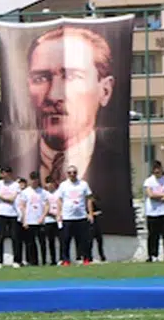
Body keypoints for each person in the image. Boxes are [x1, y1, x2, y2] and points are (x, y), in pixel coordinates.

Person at [26, 26, 121, 195]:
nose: (54, 95)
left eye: (72, 76)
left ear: (105, 90)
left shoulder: (119, 166)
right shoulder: (17, 165)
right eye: (40, 78)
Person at [56, 164, 95, 266]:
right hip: (68, 217)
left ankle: (86, 259)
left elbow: (89, 199)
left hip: (81, 216)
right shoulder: (63, 185)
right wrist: (59, 213)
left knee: (84, 240)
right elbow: (59, 200)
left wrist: (90, 213)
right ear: (67, 174)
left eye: (74, 172)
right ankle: (66, 260)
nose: (72, 174)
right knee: (65, 241)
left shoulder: (83, 184)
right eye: (70, 173)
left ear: (77, 173)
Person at [142, 161, 164, 263]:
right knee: (153, 235)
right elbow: (150, 195)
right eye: (154, 168)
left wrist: (160, 196)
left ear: (161, 168)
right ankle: (152, 255)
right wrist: (163, 196)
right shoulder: (148, 181)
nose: (156, 170)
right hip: (152, 212)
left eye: (158, 168)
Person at [0, 165, 22, 269]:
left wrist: (0, 196)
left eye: (8, 173)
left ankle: (16, 260)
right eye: (4, 173)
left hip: (12, 214)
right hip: (1, 213)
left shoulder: (15, 185)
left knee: (15, 237)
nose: (6, 175)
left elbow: (12, 199)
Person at [17, 172, 47, 266]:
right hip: (30, 220)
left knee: (42, 242)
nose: (34, 181)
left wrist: (43, 217)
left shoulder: (43, 192)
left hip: (40, 220)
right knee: (30, 243)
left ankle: (44, 260)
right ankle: (33, 261)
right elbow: (22, 206)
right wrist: (24, 220)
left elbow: (47, 205)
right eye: (32, 179)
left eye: (36, 179)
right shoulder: (25, 192)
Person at [41, 179, 60, 266]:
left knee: (61, 241)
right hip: (48, 220)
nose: (49, 185)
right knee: (50, 241)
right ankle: (52, 260)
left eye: (51, 183)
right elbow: (43, 207)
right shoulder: (44, 194)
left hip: (59, 220)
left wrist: (58, 215)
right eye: (47, 183)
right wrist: (52, 214)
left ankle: (61, 259)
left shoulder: (59, 193)